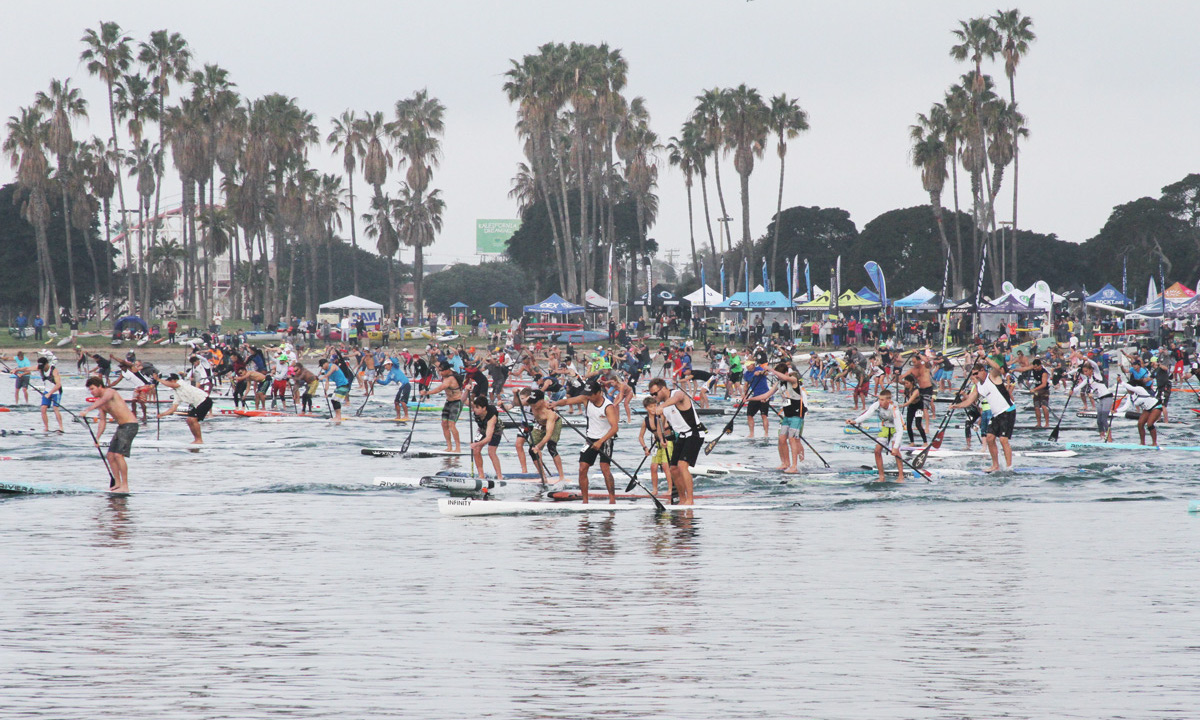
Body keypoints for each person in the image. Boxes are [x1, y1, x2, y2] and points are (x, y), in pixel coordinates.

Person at [550, 379, 619, 504]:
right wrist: (555, 404)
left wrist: (600, 441)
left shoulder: (608, 406)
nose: (588, 396)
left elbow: (614, 428)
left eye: (591, 394)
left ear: (599, 392)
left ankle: (612, 500)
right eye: (587, 393)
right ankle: (585, 501)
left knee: (605, 469)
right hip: (590, 439)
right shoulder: (585, 399)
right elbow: (566, 401)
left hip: (606, 439)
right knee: (582, 468)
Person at [950, 362, 1016, 473]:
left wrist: (985, 357)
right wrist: (956, 406)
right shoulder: (978, 387)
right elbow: (969, 401)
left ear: (982, 370)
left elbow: (998, 367)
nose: (974, 376)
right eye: (973, 374)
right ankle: (995, 466)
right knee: (989, 438)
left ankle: (1009, 468)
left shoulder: (992, 377)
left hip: (1007, 411)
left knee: (1003, 440)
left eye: (976, 373)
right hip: (996, 415)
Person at [647, 377, 700, 505]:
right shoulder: (662, 406)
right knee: (673, 469)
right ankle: (682, 500)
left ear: (664, 388)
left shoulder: (676, 394)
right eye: (651, 394)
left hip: (694, 433)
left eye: (655, 393)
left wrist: (663, 406)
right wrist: (661, 439)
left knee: (682, 466)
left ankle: (690, 500)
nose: (654, 397)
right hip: (681, 436)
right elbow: (661, 426)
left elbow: (678, 397)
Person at [80, 376, 138, 492]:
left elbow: (104, 399)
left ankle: (125, 486)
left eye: (92, 389)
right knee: (110, 455)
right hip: (121, 427)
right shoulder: (100, 403)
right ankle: (117, 483)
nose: (91, 392)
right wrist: (97, 438)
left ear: (100, 386)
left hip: (130, 425)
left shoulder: (110, 392)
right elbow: (102, 421)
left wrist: (87, 410)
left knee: (118, 455)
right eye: (89, 390)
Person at [847, 388, 905, 483]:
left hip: (896, 429)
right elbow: (867, 414)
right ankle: (881, 477)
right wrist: (855, 421)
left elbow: (900, 430)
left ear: (888, 401)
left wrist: (894, 447)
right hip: (885, 428)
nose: (880, 402)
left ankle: (901, 476)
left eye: (882, 400)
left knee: (896, 451)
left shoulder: (895, 411)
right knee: (877, 450)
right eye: (879, 399)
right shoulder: (877, 404)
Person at [768, 363, 806, 473]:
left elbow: (786, 377)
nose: (778, 377)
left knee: (794, 440)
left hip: (797, 415)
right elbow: (767, 394)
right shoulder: (779, 383)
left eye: (779, 374)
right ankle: (786, 463)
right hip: (787, 415)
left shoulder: (793, 379)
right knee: (782, 439)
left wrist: (770, 369)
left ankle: (797, 465)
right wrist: (750, 399)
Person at [155, 373, 213, 444]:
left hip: (204, 401)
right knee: (189, 420)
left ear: (173, 380)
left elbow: (173, 385)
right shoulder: (176, 392)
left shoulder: (180, 382)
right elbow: (173, 409)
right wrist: (162, 415)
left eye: (169, 382)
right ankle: (196, 439)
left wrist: (158, 379)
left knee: (193, 419)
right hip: (196, 404)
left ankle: (199, 440)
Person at [525, 389, 565, 484]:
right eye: (531, 402)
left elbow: (548, 435)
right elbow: (516, 402)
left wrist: (539, 446)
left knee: (551, 447)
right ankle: (543, 477)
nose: (532, 405)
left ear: (542, 401)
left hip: (554, 424)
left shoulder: (549, 413)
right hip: (540, 424)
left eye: (535, 403)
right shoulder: (530, 402)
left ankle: (561, 477)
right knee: (531, 450)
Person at [422, 361, 463, 453]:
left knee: (451, 425)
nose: (440, 373)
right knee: (444, 424)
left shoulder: (451, 378)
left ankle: (458, 448)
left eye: (442, 371)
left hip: (457, 402)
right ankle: (449, 447)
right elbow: (437, 364)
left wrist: (427, 392)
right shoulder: (445, 373)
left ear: (448, 370)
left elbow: (440, 388)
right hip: (448, 402)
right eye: (439, 371)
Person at [1069, 364, 1114, 442]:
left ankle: (1109, 438)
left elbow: (1095, 365)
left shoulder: (1097, 375)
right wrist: (1071, 390)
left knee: (1104, 419)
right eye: (1084, 372)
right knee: (1099, 420)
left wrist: (1086, 359)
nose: (1085, 373)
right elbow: (1077, 388)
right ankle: (1102, 436)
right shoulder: (1087, 380)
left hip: (1107, 397)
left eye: (1086, 371)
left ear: (1091, 370)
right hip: (1100, 399)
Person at [639, 395, 673, 497]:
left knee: (665, 465)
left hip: (668, 442)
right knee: (653, 467)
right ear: (646, 408)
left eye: (655, 406)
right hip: (657, 444)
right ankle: (655, 490)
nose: (653, 408)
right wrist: (645, 448)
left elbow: (666, 426)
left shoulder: (661, 416)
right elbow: (640, 437)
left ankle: (670, 490)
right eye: (650, 407)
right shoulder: (645, 421)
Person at [1119, 374, 1164, 447]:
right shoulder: (1131, 396)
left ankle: (1154, 443)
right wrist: (1115, 411)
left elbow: (1129, 387)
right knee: (1140, 424)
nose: (1127, 390)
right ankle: (1142, 443)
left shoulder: (1139, 389)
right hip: (1147, 409)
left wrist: (1121, 382)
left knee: (1149, 424)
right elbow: (1125, 407)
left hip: (1156, 406)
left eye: (1128, 389)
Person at [469, 396, 504, 480]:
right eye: (474, 407)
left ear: (484, 408)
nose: (474, 410)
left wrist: (476, 443)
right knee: (476, 450)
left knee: (491, 452)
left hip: (495, 430)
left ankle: (499, 476)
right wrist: (466, 390)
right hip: (482, 429)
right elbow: (462, 400)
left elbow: (488, 438)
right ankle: (481, 475)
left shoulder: (491, 418)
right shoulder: (476, 410)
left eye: (477, 408)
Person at [741, 352, 773, 438]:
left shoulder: (759, 368)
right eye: (746, 365)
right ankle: (751, 433)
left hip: (765, 395)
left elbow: (766, 373)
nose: (747, 367)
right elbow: (746, 385)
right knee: (749, 415)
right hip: (755, 396)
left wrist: (760, 373)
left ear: (753, 364)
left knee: (763, 415)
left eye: (749, 365)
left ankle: (766, 434)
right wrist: (745, 395)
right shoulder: (746, 374)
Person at [36, 356, 64, 433]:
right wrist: (18, 371)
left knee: (55, 409)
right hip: (47, 391)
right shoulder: (40, 367)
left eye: (43, 366)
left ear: (47, 364)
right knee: (43, 409)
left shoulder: (54, 370)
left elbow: (58, 385)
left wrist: (50, 393)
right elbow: (28, 369)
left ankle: (61, 427)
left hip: (56, 392)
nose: (42, 368)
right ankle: (46, 428)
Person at [319, 357, 352, 422]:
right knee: (333, 400)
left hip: (344, 385)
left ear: (326, 363)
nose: (322, 368)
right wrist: (325, 391)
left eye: (322, 366)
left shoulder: (333, 366)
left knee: (335, 400)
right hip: (339, 386)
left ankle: (338, 417)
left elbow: (331, 372)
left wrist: (323, 376)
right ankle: (337, 416)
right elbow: (327, 382)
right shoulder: (326, 371)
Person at [1029, 358, 1052, 428]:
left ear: (1040, 365)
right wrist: (1014, 370)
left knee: (1044, 406)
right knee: (1036, 407)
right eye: (1034, 367)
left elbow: (1044, 384)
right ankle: (1039, 424)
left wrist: (1034, 389)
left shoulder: (1044, 372)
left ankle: (1047, 424)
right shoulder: (1034, 368)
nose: (1035, 368)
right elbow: (1024, 369)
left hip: (1044, 391)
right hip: (1037, 392)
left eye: (1036, 367)